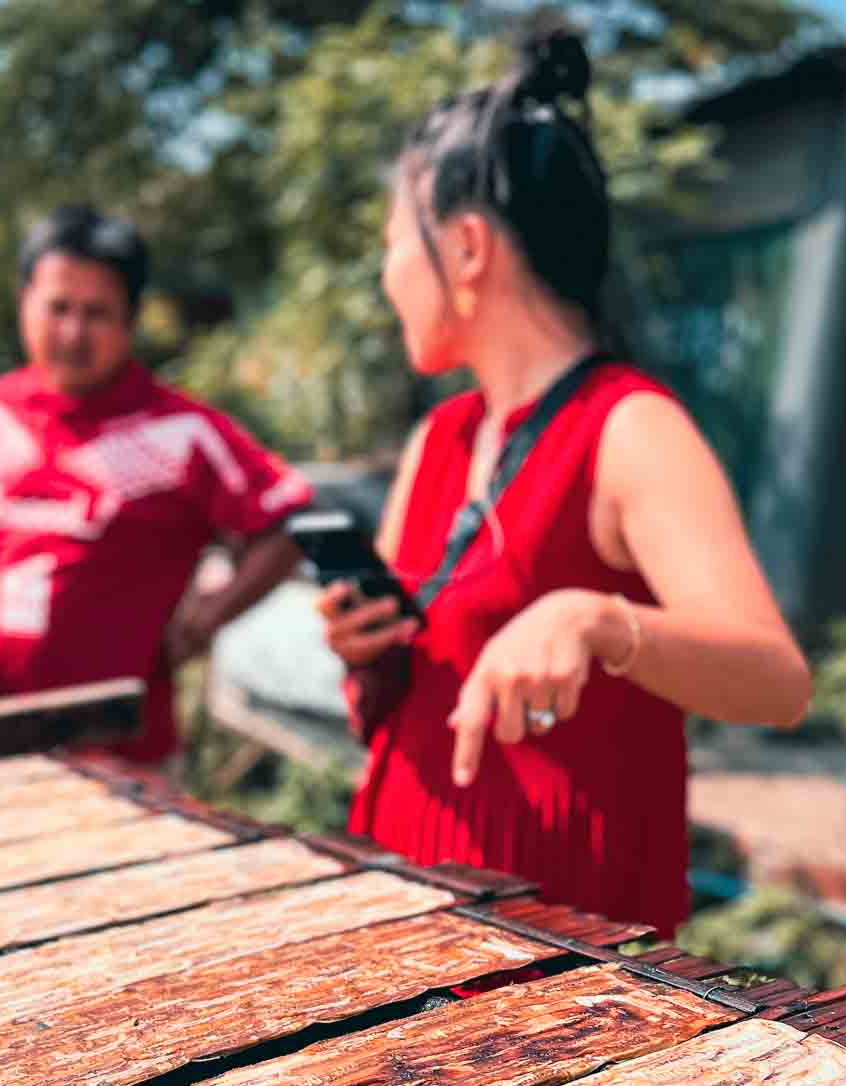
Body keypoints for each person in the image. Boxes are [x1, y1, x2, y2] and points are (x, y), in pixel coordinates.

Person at [319, 27, 811, 936]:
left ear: (467, 248)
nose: (389, 275)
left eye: (395, 242)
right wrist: (365, 649)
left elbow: (778, 682)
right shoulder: (440, 437)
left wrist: (596, 619)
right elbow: (411, 693)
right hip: (403, 897)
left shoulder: (631, 428)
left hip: (568, 945)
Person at [0, 204, 310, 766]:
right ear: (24, 304)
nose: (72, 333)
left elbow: (290, 527)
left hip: (130, 756)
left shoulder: (182, 432)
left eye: (96, 314)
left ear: (130, 321)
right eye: (57, 308)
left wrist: (208, 618)